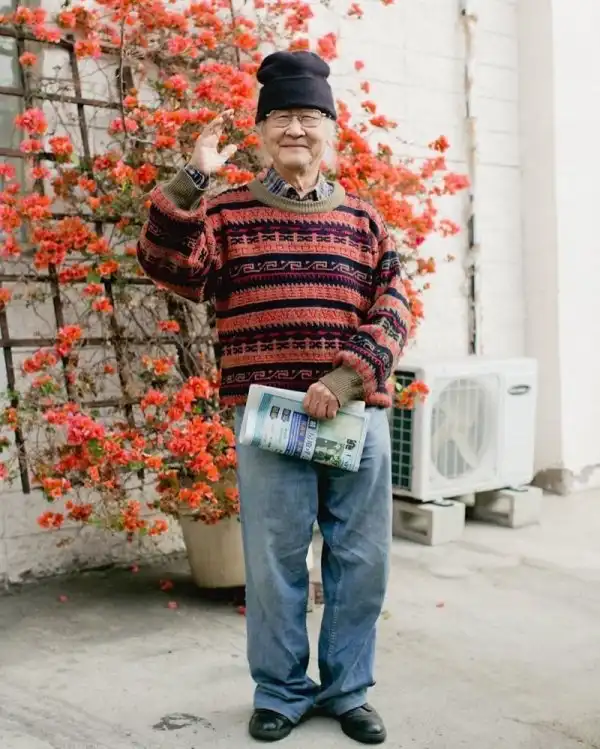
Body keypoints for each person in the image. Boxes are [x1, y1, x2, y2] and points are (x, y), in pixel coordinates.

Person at [137, 50, 412, 745]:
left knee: (362, 559)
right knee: (274, 562)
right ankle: (281, 691)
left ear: (331, 131)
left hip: (354, 415)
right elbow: (167, 262)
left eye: (309, 117)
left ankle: (348, 690)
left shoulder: (363, 219)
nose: (296, 128)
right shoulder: (227, 213)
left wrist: (343, 380)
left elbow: (395, 309)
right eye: (282, 117)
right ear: (260, 131)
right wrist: (194, 178)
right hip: (269, 422)